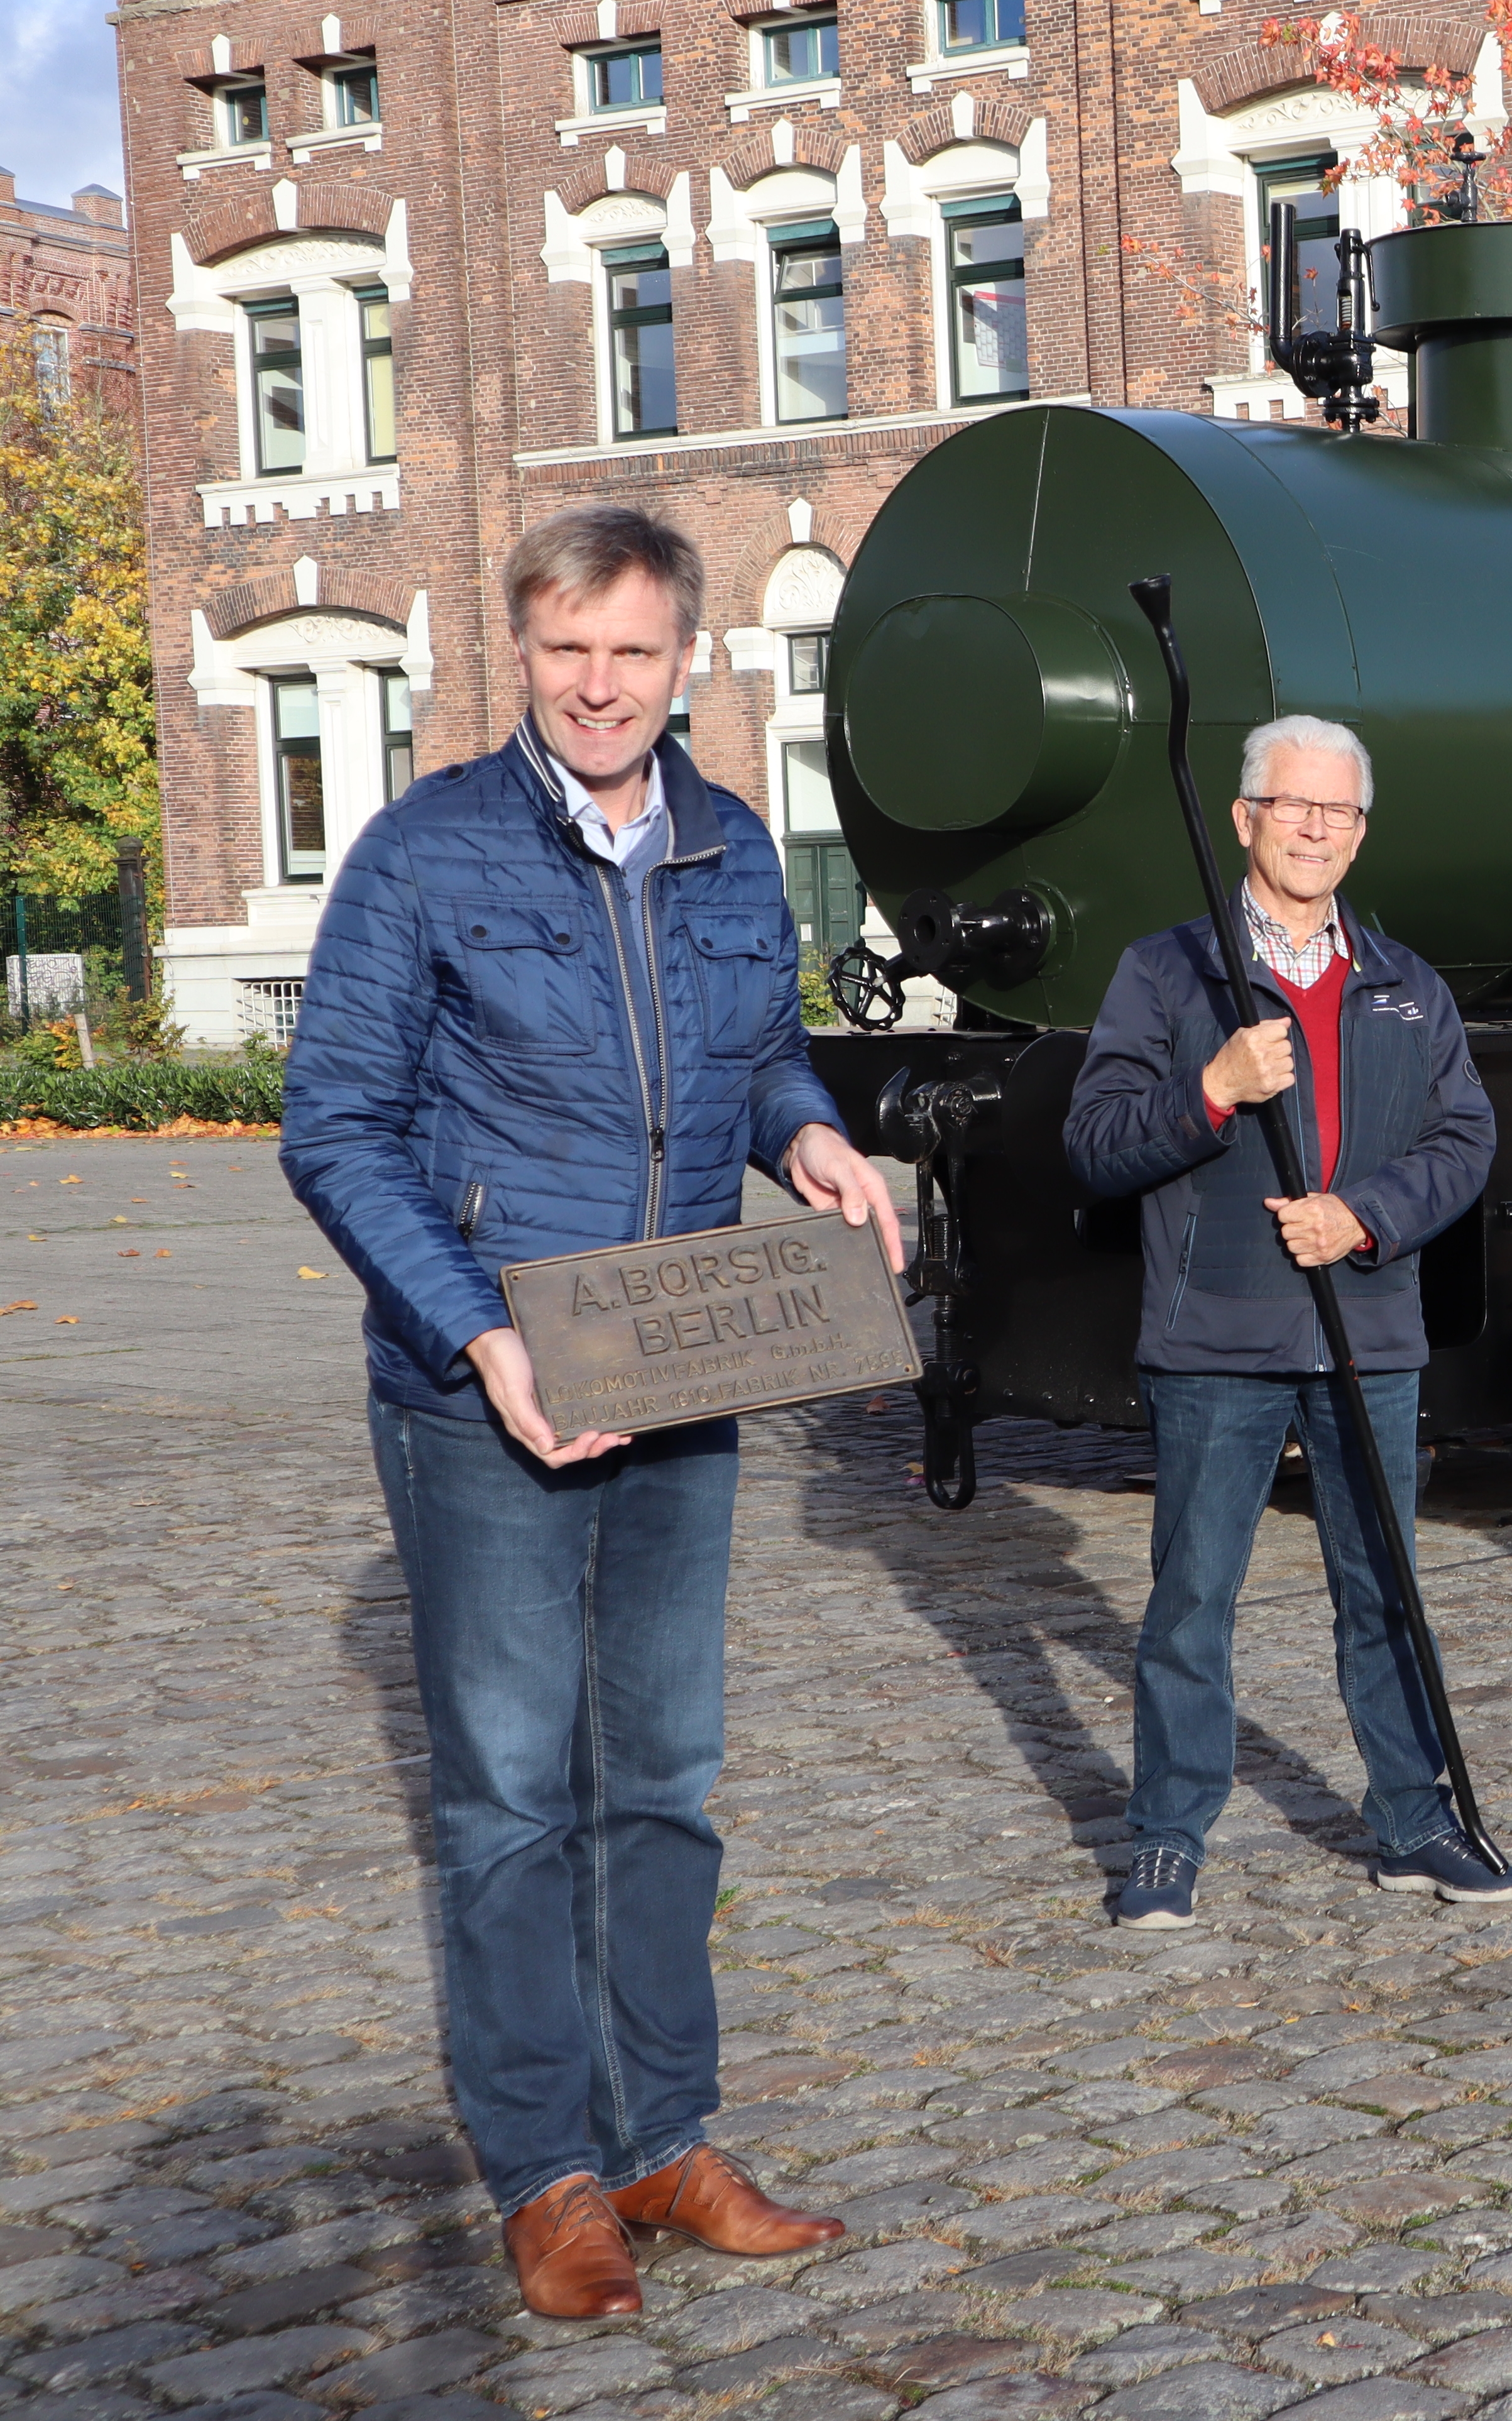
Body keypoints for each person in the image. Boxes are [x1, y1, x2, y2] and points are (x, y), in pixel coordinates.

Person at [283, 503, 901, 2319]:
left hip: (681, 1365)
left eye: (634, 651)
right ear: (523, 650)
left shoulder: (730, 844)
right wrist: (482, 1335)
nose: (601, 685)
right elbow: (337, 1127)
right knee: (506, 1796)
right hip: (488, 1388)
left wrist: (808, 1135)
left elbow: (760, 1051)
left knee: (665, 1782)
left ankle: (662, 2137)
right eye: (569, 650)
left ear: (685, 659)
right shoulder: (424, 850)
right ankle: (547, 2172)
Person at [1065, 713, 1509, 1927]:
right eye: (1293, 805)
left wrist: (1364, 1217)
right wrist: (1210, 1090)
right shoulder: (1169, 972)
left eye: (1338, 811)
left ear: (1360, 833)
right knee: (1191, 1604)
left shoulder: (1406, 984)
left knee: (1386, 1592)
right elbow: (1094, 1144)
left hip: (1368, 1331)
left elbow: (1465, 1138)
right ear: (1245, 817)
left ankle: (1415, 1823)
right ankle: (1168, 1839)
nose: (1315, 828)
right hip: (1217, 1336)